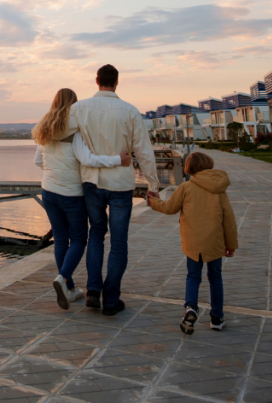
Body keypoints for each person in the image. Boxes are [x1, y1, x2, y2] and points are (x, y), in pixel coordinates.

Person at [71, 64, 160, 316]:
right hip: (120, 184)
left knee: (96, 234)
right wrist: (153, 184)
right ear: (117, 82)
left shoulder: (79, 108)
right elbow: (143, 150)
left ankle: (92, 292)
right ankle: (110, 300)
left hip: (91, 181)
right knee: (119, 242)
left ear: (96, 80)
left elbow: (63, 136)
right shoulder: (130, 111)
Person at [33, 88, 132, 310]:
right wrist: (118, 159)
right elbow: (88, 159)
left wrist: (54, 172)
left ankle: (69, 289)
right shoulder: (76, 130)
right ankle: (63, 277)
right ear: (74, 105)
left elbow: (38, 162)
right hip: (71, 194)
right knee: (79, 239)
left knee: (60, 240)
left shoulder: (44, 130)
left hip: (48, 192)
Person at [146, 152, 238, 334]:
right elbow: (229, 219)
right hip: (215, 242)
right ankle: (217, 318)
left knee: (193, 277)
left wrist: (153, 201)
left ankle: (190, 308)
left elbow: (169, 208)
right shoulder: (220, 189)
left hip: (194, 243)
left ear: (189, 168)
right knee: (215, 278)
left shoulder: (186, 187)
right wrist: (231, 244)